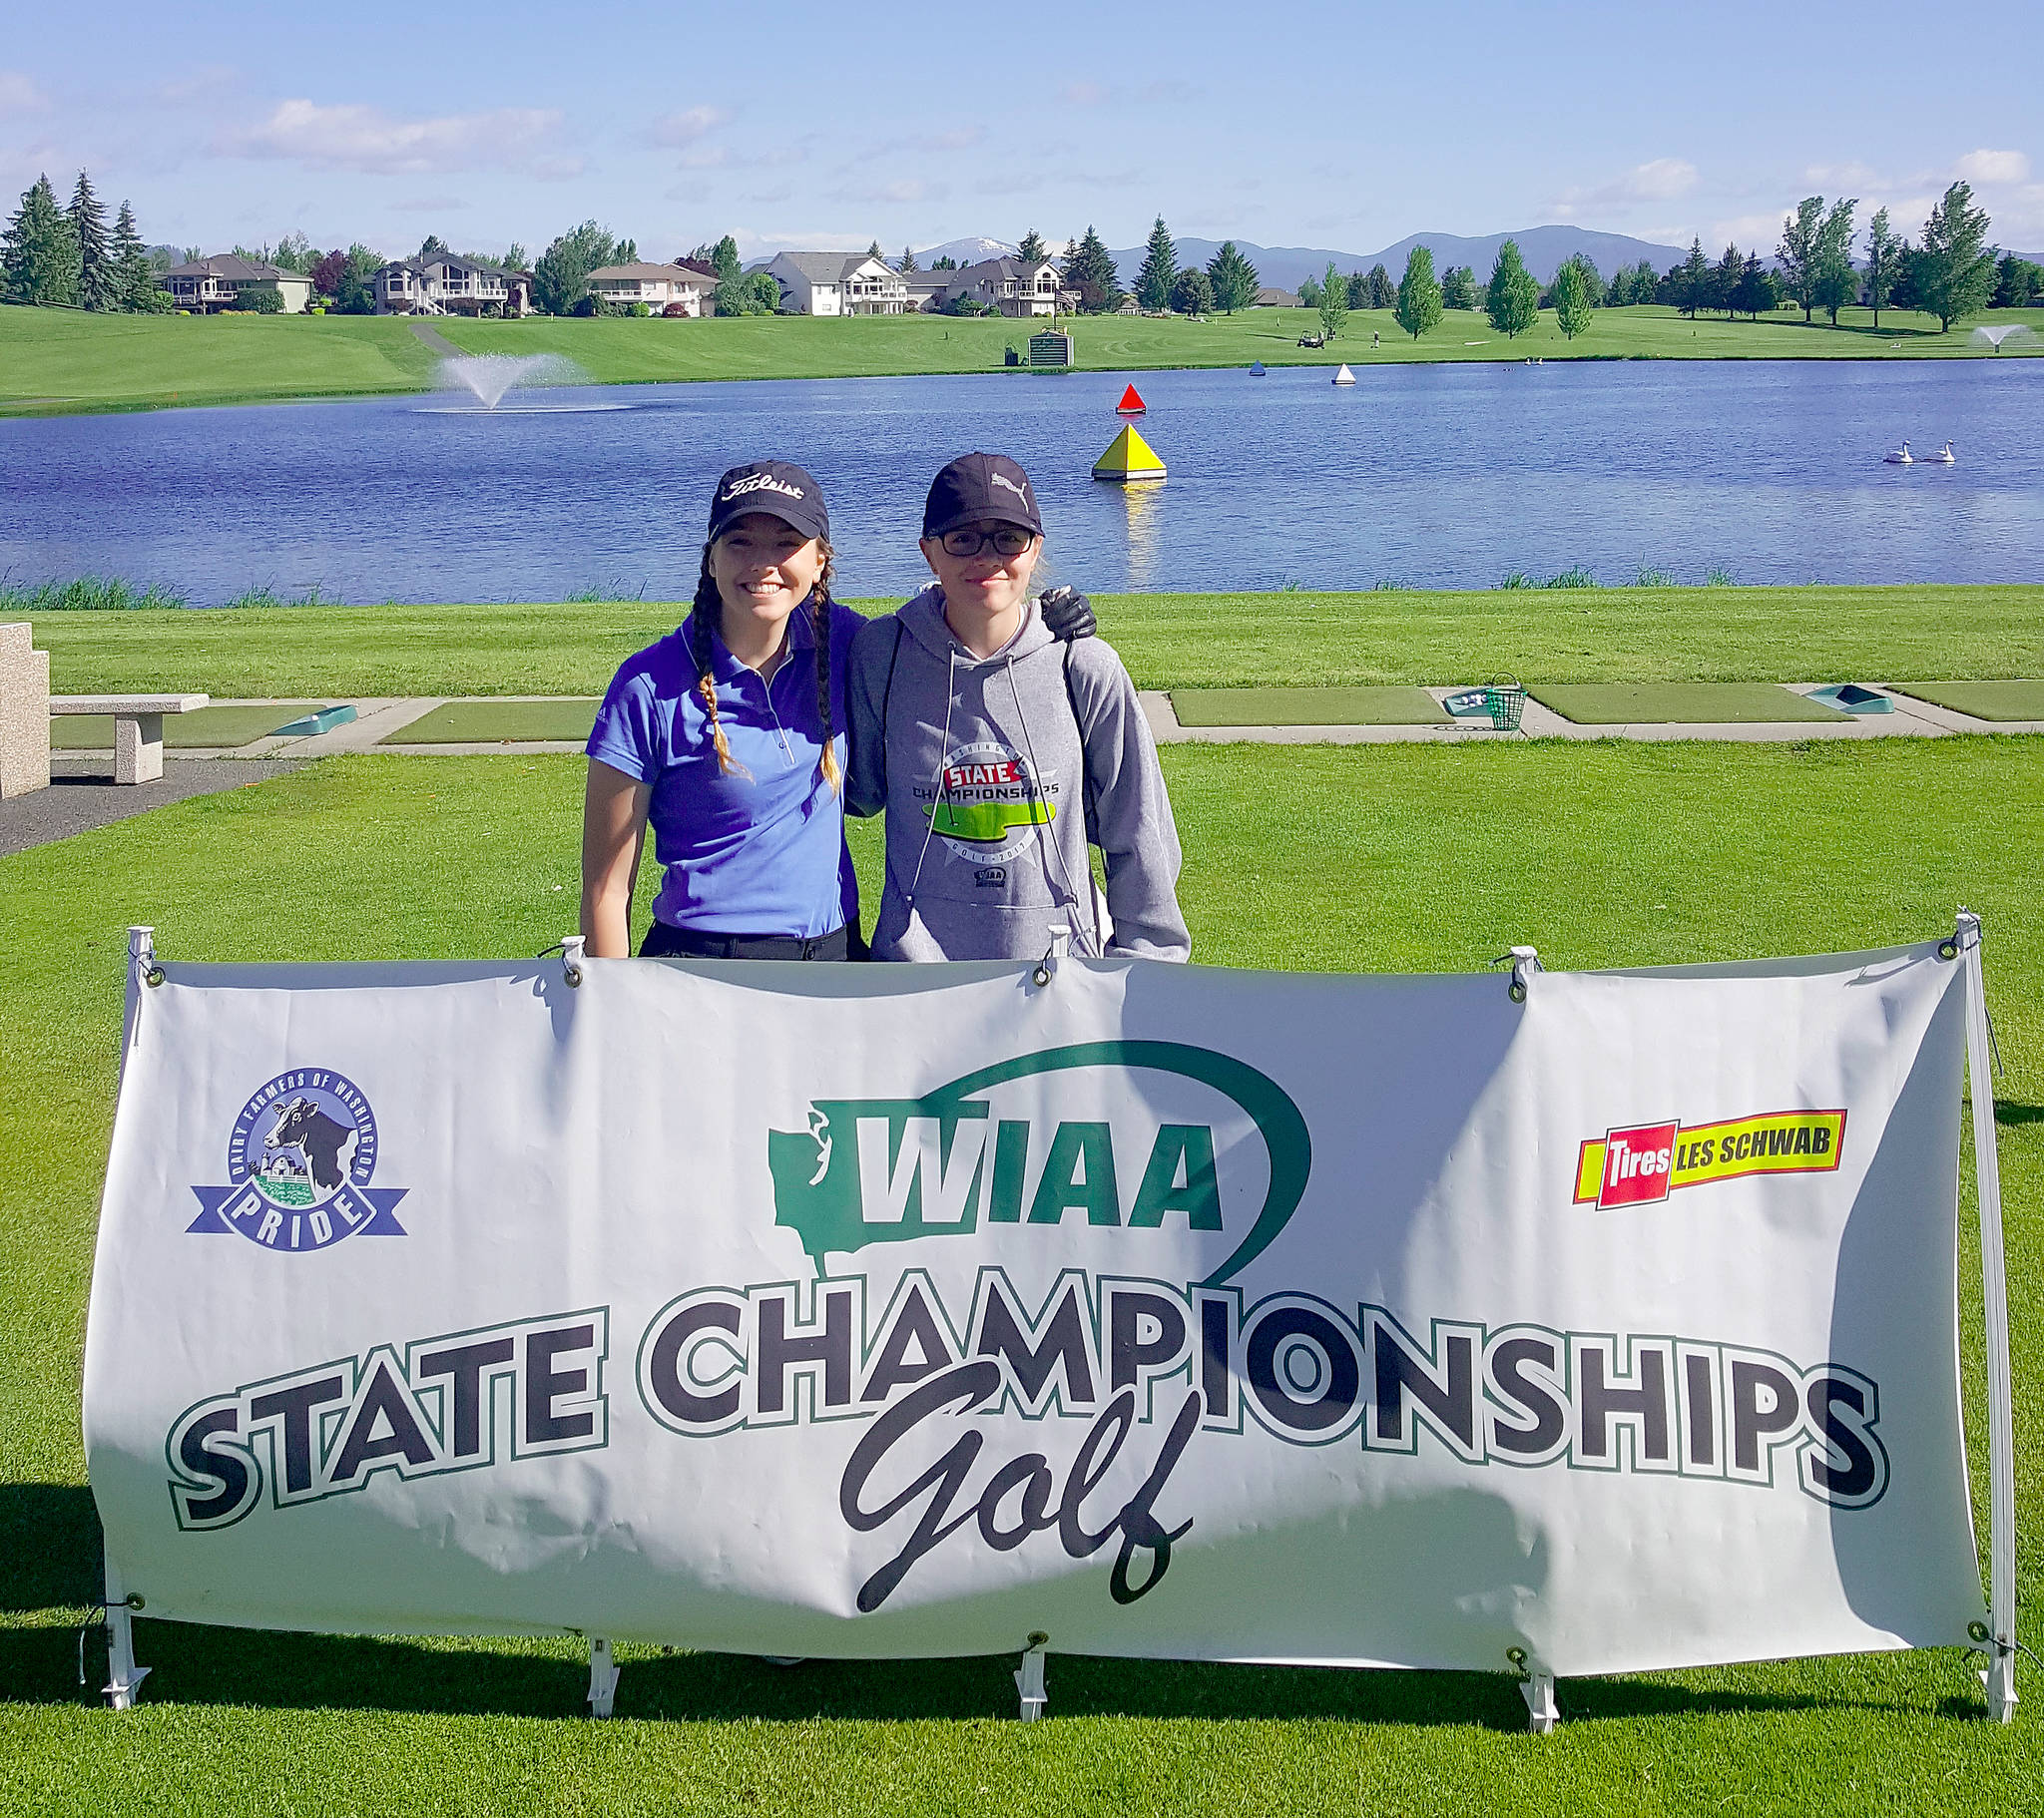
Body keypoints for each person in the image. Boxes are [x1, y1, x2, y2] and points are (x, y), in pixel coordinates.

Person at [847, 452, 1189, 965]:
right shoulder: (883, 655)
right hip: (915, 982)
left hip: (1060, 974)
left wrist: (1145, 968)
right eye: (962, 539)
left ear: (1035, 551)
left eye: (1008, 538)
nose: (987, 558)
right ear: (929, 553)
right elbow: (855, 794)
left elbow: (1139, 829)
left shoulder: (1084, 665)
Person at [580, 460, 866, 960]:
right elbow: (606, 892)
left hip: (834, 957)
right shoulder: (647, 686)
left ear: (820, 560)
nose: (763, 563)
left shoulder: (850, 644)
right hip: (703, 965)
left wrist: (1042, 624)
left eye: (785, 543)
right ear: (711, 559)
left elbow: (949, 636)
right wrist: (611, 1014)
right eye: (740, 543)